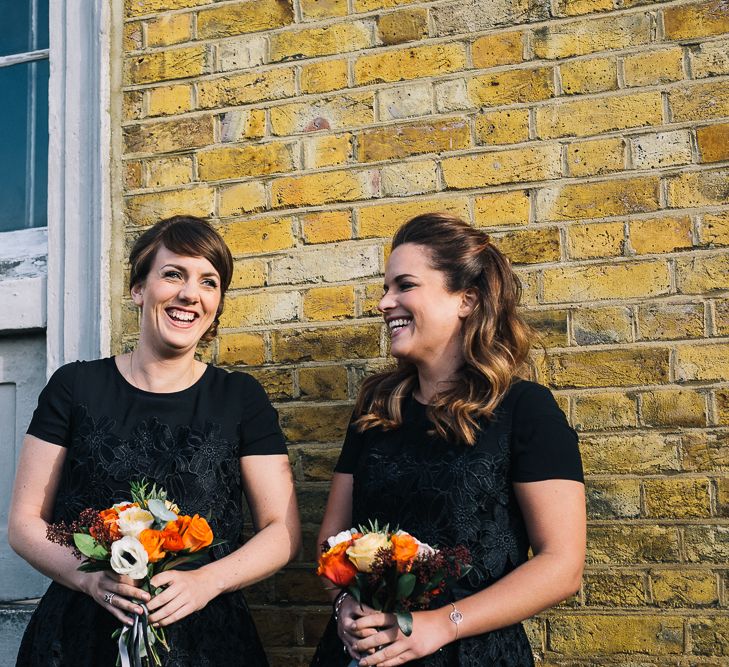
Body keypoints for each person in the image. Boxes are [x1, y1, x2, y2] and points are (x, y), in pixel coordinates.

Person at [9, 215, 301, 666]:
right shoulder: (75, 387)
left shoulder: (240, 398)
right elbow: (25, 522)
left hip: (208, 640)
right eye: (173, 274)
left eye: (209, 282)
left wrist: (208, 582)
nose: (190, 294)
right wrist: (86, 578)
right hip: (80, 638)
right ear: (138, 289)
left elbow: (280, 532)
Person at [310, 213, 585, 666]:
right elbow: (331, 542)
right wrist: (344, 606)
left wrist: (442, 624)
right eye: (386, 288)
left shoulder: (524, 410)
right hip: (362, 654)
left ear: (466, 300)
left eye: (404, 286)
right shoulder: (377, 409)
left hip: (471, 654)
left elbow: (561, 567)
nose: (385, 303)